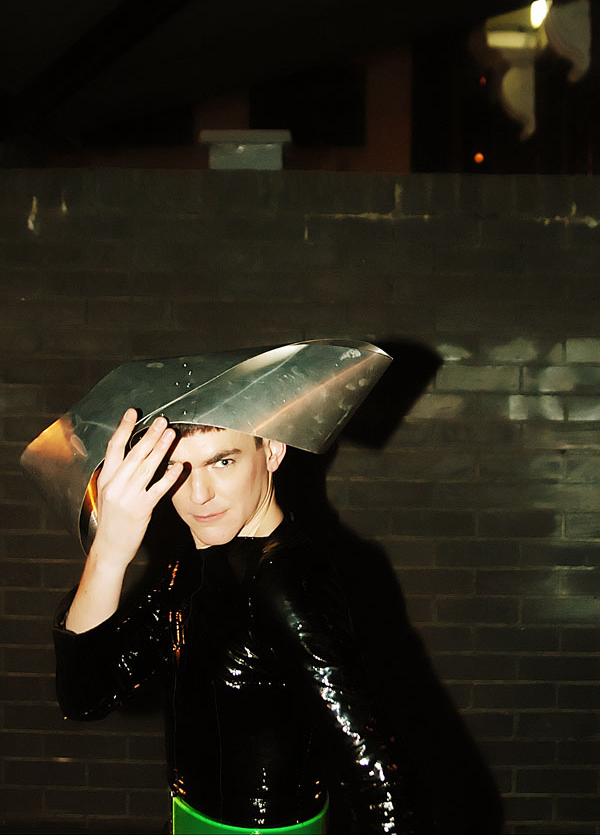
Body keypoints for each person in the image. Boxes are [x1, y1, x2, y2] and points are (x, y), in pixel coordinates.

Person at [24, 341, 428, 835]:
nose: (199, 495)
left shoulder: (286, 582)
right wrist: (108, 553)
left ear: (272, 449)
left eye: (222, 462)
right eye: (177, 469)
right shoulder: (194, 567)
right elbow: (85, 696)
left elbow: (379, 778)